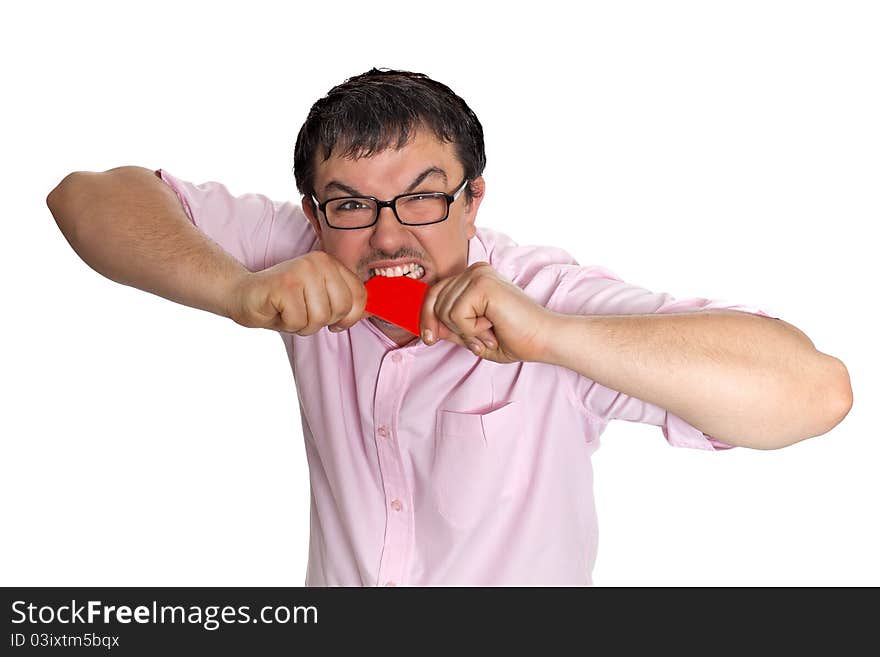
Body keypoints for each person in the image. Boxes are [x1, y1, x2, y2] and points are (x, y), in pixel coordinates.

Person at [47, 68, 852, 586]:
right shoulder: (306, 255)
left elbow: (814, 392)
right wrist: (240, 291)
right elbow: (85, 197)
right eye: (353, 203)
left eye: (425, 197)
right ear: (317, 211)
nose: (389, 235)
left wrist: (548, 336)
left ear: (474, 199)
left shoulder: (545, 296)